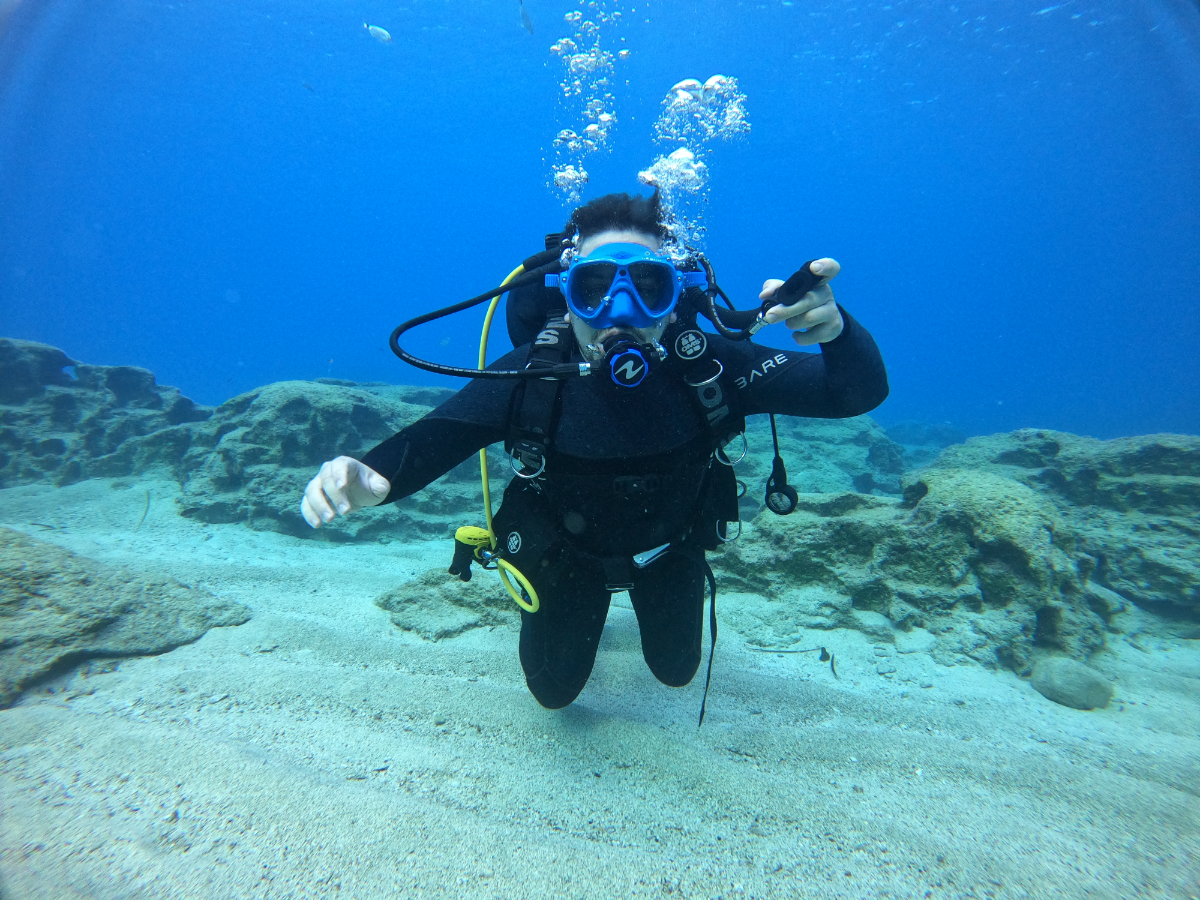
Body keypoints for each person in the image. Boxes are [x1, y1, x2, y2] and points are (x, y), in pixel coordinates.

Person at [301, 191, 888, 712]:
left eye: (648, 288)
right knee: (553, 692)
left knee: (677, 672)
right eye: (596, 288)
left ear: (676, 294)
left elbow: (854, 391)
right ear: (566, 294)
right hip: (564, 559)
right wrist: (368, 474)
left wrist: (837, 331)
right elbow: (434, 440)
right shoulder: (536, 374)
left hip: (671, 552)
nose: (621, 311)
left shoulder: (712, 365)